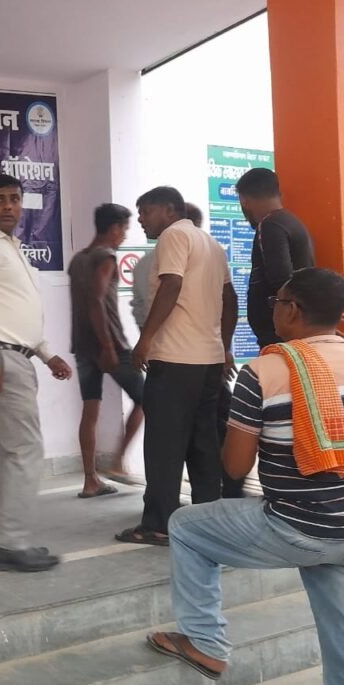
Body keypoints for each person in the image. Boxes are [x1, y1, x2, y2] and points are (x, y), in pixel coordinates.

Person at [148, 268, 344, 685]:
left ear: (292, 310)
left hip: (295, 528)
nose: (274, 309)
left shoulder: (265, 372)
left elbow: (235, 466)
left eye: (277, 301)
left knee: (185, 526)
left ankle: (206, 642)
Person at [0, 175, 72, 573]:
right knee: (26, 450)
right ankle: (11, 541)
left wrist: (47, 354)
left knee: (8, 452)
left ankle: (7, 539)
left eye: (15, 199)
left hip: (15, 356)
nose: (8, 206)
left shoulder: (13, 249)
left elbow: (13, 313)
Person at [119, 187, 236, 546]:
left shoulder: (173, 236)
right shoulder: (210, 243)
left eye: (146, 211)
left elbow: (171, 284)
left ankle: (158, 525)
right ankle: (207, 521)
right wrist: (224, 347)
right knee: (203, 444)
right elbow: (229, 299)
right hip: (208, 361)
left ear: (170, 210)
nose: (141, 219)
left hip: (174, 359)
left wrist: (146, 339)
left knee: (164, 447)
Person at [67, 203, 144, 498]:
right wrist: (108, 346)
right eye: (124, 229)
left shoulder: (78, 260)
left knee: (90, 410)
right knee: (146, 398)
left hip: (83, 345)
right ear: (114, 228)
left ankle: (90, 480)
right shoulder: (106, 257)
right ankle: (118, 462)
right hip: (109, 345)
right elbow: (96, 301)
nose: (124, 235)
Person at [236, 168, 315, 349]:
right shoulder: (292, 222)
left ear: (245, 200)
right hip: (297, 324)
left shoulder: (269, 224)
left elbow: (281, 277)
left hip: (280, 332)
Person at [131, 202, 202, 330]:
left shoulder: (143, 264)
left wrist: (147, 337)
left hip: (157, 338)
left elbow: (139, 311)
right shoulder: (204, 258)